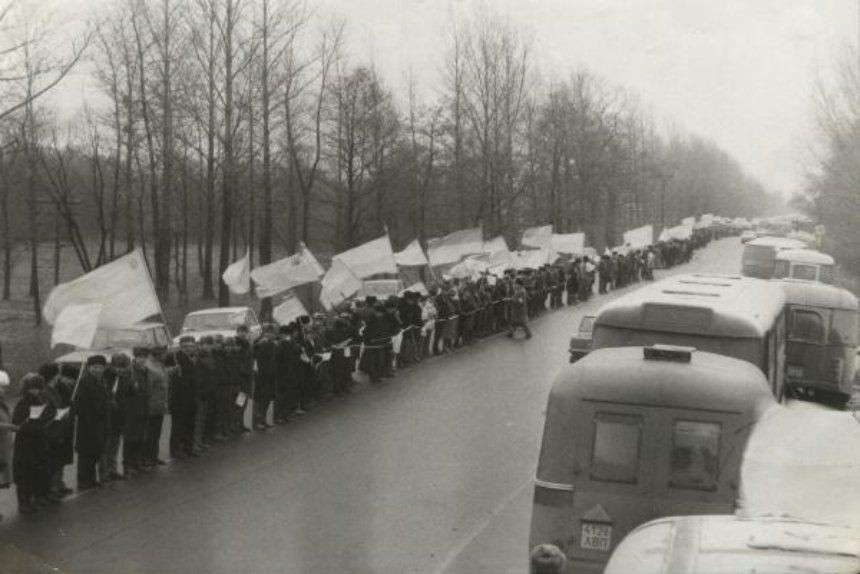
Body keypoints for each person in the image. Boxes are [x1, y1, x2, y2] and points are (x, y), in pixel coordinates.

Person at [13, 374, 57, 513]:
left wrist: (50, 418)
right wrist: (29, 422)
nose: (36, 392)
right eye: (32, 389)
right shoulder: (22, 403)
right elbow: (17, 422)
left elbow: (46, 417)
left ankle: (38, 496)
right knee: (25, 473)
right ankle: (24, 502)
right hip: (26, 443)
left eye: (38, 389)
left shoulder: (39, 402)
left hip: (38, 440)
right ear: (27, 389)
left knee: (38, 469)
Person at [74, 355, 111, 490]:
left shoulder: (101, 381)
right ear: (89, 368)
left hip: (99, 423)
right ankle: (83, 481)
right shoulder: (84, 382)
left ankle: (90, 479)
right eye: (95, 367)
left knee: (95, 452)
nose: (98, 370)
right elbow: (81, 405)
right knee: (86, 453)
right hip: (88, 424)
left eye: (100, 367)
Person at [143, 346, 169, 467]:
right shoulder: (149, 366)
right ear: (158, 354)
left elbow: (163, 376)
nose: (166, 355)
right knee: (151, 432)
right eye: (164, 353)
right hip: (153, 403)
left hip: (160, 403)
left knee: (157, 432)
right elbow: (149, 387)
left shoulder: (159, 364)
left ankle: (154, 456)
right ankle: (148, 457)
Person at [0, 360, 17, 520]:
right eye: (1, 388)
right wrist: (8, 427)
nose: (3, 391)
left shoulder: (3, 403)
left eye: (4, 388)